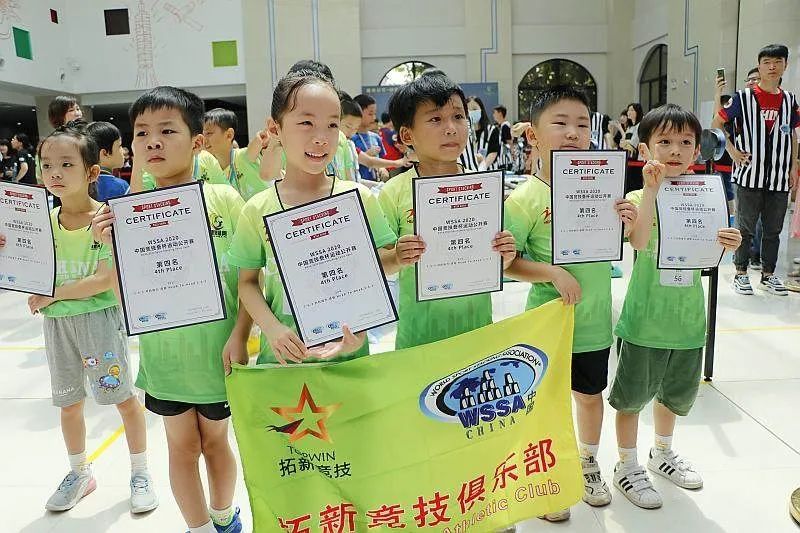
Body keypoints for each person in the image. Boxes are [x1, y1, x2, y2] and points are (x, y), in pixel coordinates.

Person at [92, 86, 248, 533]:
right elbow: (122, 298)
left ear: (197, 142)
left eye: (167, 130)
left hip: (218, 357)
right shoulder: (124, 215)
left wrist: (240, 335)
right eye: (142, 133)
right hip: (165, 360)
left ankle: (224, 517)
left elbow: (249, 278)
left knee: (216, 443)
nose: (153, 142)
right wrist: (111, 245)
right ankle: (198, 528)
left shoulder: (224, 201)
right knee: (181, 448)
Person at [504, 86, 638, 522]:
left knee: (590, 395)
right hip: (548, 326)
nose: (573, 133)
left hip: (594, 320)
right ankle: (544, 479)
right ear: (533, 135)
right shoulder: (524, 199)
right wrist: (551, 273)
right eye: (559, 123)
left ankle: (587, 462)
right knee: (545, 402)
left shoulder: (602, 188)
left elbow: (615, 243)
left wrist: (626, 222)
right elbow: (508, 262)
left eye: (582, 124)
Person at [610, 104, 742, 510]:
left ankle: (662, 452)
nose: (675, 150)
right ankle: (626, 464)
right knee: (631, 399)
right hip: (645, 321)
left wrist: (729, 243)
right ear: (645, 148)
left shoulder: (706, 197)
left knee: (672, 396)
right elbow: (637, 241)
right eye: (664, 141)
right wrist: (650, 191)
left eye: (686, 142)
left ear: (698, 150)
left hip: (687, 322)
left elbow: (709, 256)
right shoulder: (637, 197)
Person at [24, 123, 156, 514]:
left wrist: (52, 294)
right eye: (47, 165)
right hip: (57, 326)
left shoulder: (105, 220)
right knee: (69, 403)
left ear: (92, 172)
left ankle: (140, 471)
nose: (55, 173)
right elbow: (31, 270)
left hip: (98, 321)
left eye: (67, 164)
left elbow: (103, 280)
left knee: (123, 398)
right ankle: (80, 472)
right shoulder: (43, 222)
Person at [229, 71, 398, 366]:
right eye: (306, 123)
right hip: (284, 364)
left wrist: (362, 327)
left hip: (350, 364)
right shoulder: (258, 209)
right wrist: (273, 329)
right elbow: (248, 283)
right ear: (275, 129)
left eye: (332, 125)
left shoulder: (358, 199)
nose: (321, 138)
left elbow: (379, 266)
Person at [378, 71, 517, 351]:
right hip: (419, 340)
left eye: (458, 116)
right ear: (407, 134)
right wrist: (397, 257)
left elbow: (501, 262)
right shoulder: (394, 192)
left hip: (477, 335)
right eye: (435, 119)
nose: (451, 128)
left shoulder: (484, 189)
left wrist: (505, 256)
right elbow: (378, 265)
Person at [713, 43, 799, 296]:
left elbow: (793, 134)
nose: (772, 67)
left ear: (785, 65)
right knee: (744, 227)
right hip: (748, 175)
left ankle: (768, 275)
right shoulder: (742, 97)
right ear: (759, 66)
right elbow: (717, 123)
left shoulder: (790, 100)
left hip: (779, 177)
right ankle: (740, 272)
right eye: (767, 62)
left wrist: (793, 165)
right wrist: (731, 151)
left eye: (777, 61)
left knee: (773, 230)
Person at [203, 107, 270, 200]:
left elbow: (256, 143)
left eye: (208, 133)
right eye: (202, 134)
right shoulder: (210, 170)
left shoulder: (243, 156)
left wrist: (263, 136)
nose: (203, 139)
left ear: (229, 135)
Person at [85, 121, 131, 201]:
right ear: (105, 153)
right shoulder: (121, 187)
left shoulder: (80, 184)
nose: (123, 151)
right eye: (120, 146)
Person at [352, 93, 389, 181]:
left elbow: (382, 161)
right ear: (358, 113)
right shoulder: (351, 139)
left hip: (376, 183)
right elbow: (347, 164)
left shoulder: (376, 137)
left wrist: (383, 169)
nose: (374, 117)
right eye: (370, 114)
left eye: (375, 114)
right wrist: (367, 155)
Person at [491, 104, 513, 170]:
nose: (493, 115)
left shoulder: (505, 126)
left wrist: (512, 154)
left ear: (500, 113)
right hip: (501, 160)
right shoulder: (500, 126)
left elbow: (509, 142)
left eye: (494, 113)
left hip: (505, 160)